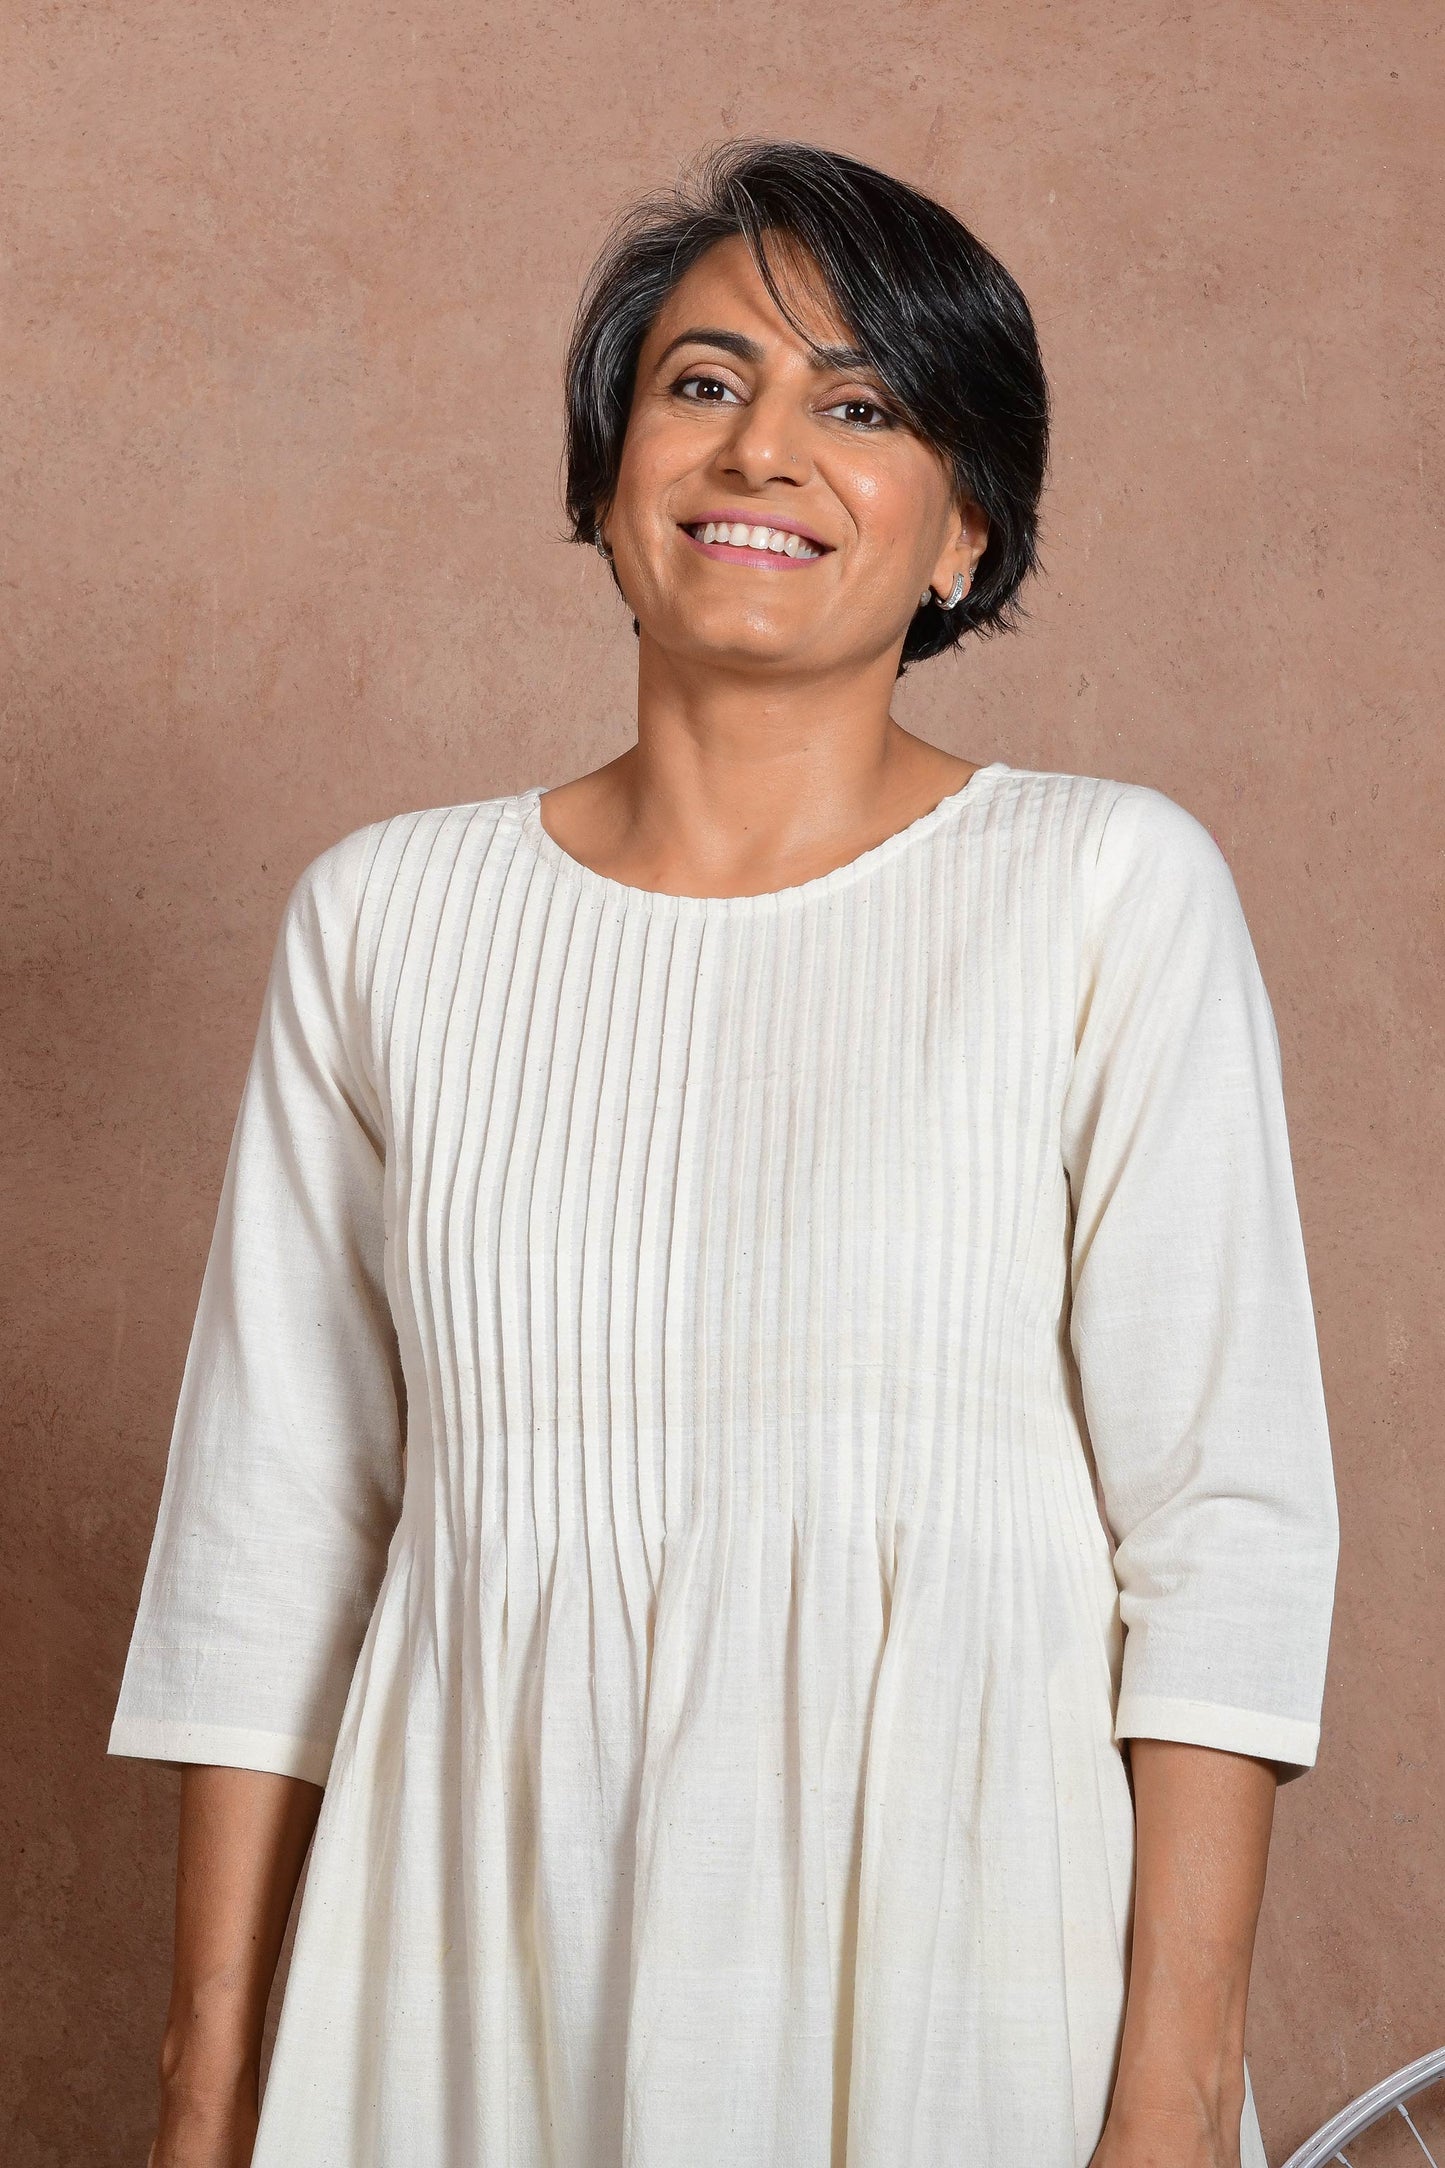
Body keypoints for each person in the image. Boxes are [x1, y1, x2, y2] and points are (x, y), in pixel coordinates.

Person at [110, 139, 1340, 2168]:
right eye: (702, 382)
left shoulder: (1110, 892)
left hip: (960, 1969)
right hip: (461, 1965)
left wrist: (1175, 2094)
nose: (764, 445)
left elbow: (1226, 1531)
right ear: (609, 476)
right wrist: (206, 2095)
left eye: (860, 405)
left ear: (964, 533)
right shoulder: (383, 925)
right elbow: (267, 1556)